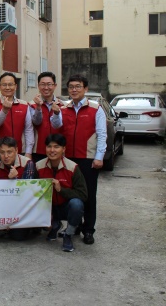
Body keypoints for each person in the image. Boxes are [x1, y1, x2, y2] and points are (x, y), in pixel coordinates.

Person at [56, 74, 106, 245]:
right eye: (71, 87)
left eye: (78, 86)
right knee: (71, 195)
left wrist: (99, 157)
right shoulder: (63, 108)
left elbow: (102, 134)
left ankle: (89, 230)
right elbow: (57, 126)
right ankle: (74, 226)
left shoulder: (96, 109)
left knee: (89, 196)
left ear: (85, 89)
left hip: (88, 158)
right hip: (69, 160)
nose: (74, 90)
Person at [36, 134, 88, 252]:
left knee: (77, 204)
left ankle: (68, 234)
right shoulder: (38, 166)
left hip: (65, 207)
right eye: (49, 146)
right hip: (47, 207)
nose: (52, 150)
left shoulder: (73, 167)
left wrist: (61, 190)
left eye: (56, 147)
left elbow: (83, 194)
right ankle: (55, 225)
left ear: (63, 149)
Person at [0, 72, 34, 173]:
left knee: (20, 180)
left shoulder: (24, 105)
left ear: (16, 86)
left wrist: (28, 152)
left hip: (19, 151)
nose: (7, 87)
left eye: (10, 84)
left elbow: (28, 129)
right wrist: (4, 110)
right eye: (4, 85)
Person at [0, 137, 38, 241]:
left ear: (16, 150)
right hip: (6, 206)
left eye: (9, 152)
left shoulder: (28, 163)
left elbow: (28, 192)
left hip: (26, 207)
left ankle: (34, 227)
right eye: (2, 152)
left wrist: (15, 180)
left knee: (18, 236)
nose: (6, 156)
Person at [30, 72, 64, 163]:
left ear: (55, 86)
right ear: (38, 86)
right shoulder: (31, 105)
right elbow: (36, 122)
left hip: (58, 150)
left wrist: (56, 112)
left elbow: (59, 125)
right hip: (38, 149)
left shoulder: (63, 105)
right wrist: (38, 107)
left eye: (49, 84)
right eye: (43, 84)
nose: (46, 87)